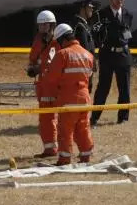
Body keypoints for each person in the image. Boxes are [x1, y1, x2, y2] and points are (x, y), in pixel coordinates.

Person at [41, 24, 94, 166]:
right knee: (83, 127)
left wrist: (45, 72)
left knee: (65, 129)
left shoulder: (62, 54)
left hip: (69, 98)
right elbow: (89, 76)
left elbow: (52, 77)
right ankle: (86, 156)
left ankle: (64, 159)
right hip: (84, 98)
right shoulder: (87, 54)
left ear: (62, 39)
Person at [91, 0, 133, 126]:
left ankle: (123, 118)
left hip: (123, 54)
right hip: (108, 54)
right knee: (103, 87)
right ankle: (94, 117)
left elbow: (128, 34)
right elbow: (95, 34)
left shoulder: (127, 14)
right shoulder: (102, 14)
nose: (119, 1)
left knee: (124, 88)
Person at [28, 10, 59, 158]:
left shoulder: (58, 41)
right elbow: (33, 58)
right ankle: (49, 148)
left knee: (58, 118)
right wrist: (32, 69)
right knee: (45, 119)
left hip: (55, 85)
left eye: (44, 25)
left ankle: (58, 148)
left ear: (51, 25)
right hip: (43, 85)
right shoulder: (38, 40)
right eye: (39, 25)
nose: (41, 28)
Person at [70, 0, 98, 92]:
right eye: (89, 7)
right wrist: (91, 62)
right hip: (83, 66)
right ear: (82, 9)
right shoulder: (79, 26)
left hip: (85, 65)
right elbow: (84, 49)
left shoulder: (83, 24)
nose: (92, 9)